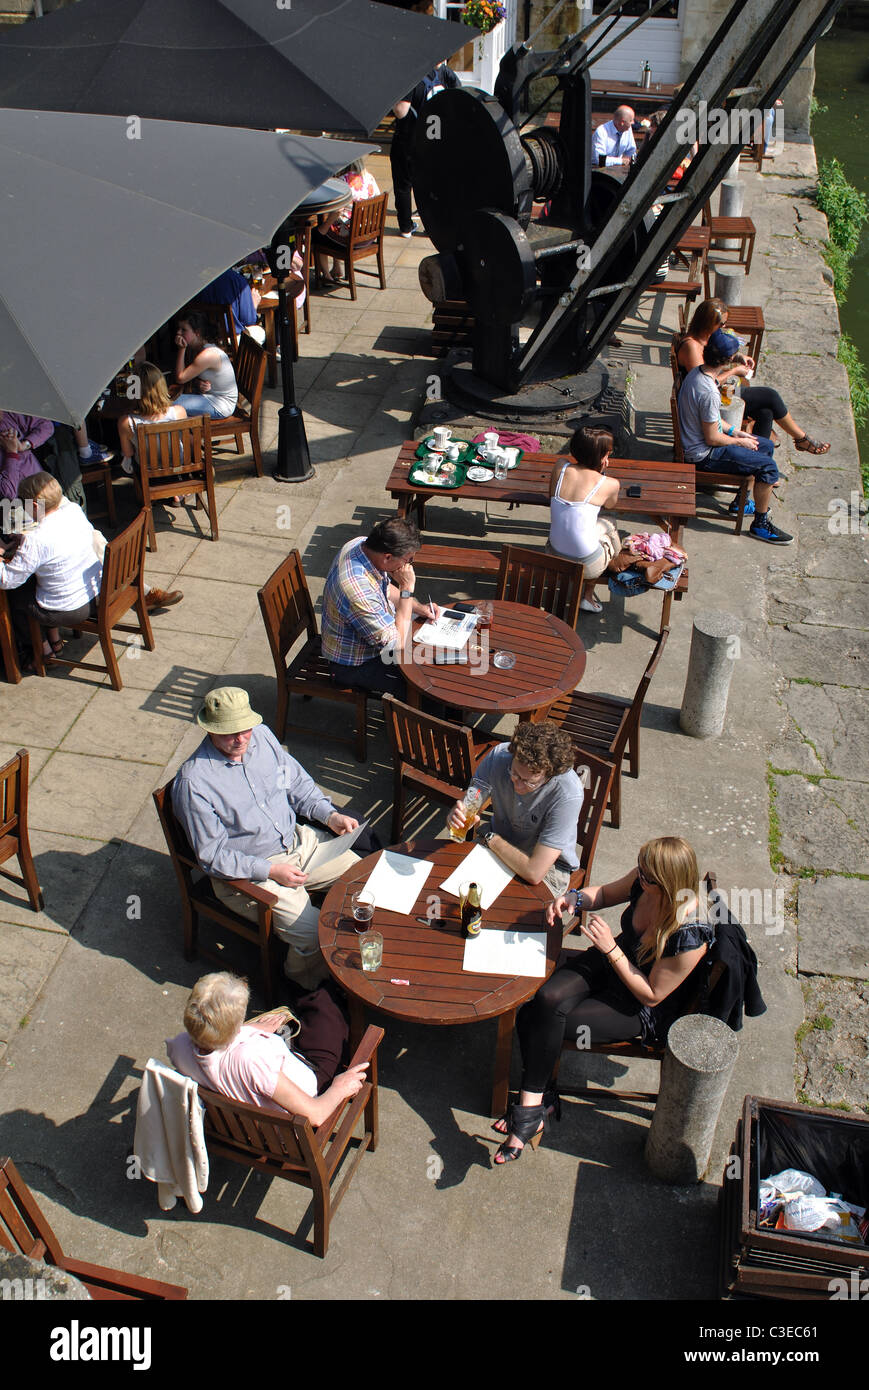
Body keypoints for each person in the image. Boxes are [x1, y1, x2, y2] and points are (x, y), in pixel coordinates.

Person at [492, 837, 713, 1164]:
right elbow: (607, 893)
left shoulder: (691, 934)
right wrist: (574, 899)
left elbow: (653, 994)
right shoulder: (644, 880)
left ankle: (530, 1109)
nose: (640, 877)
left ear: (667, 883)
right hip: (614, 960)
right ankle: (540, 1102)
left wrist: (610, 948)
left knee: (535, 1017)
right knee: (545, 999)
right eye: (640, 868)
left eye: (648, 876)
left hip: (636, 1003)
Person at [171, 686, 365, 988]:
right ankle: (304, 981)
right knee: (316, 934)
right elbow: (213, 857)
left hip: (299, 844)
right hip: (251, 875)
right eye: (229, 733)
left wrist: (329, 815)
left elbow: (297, 784)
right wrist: (272, 871)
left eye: (244, 729)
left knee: (365, 878)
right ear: (209, 729)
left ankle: (351, 953)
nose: (240, 739)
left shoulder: (261, 736)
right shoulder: (193, 783)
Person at [167, 972, 367, 1125]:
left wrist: (249, 1029)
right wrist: (339, 1088)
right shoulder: (252, 1059)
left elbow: (214, 1048)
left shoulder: (178, 1047)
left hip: (250, 1113)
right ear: (234, 1026)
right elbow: (315, 1115)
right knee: (326, 1004)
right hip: (310, 1091)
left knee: (310, 1008)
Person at [677, 329, 793, 545]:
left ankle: (742, 503)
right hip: (703, 455)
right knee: (768, 467)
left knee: (764, 445)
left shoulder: (699, 375)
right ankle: (760, 523)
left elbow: (714, 422)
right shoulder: (709, 391)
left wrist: (735, 431)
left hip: (700, 444)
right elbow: (712, 438)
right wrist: (740, 441)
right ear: (729, 360)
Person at [676, 299, 830, 459]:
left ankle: (760, 459)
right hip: (709, 399)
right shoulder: (692, 347)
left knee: (765, 412)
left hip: (717, 393)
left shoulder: (705, 339)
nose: (723, 327)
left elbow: (713, 360)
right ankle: (800, 439)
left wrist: (737, 357)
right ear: (707, 323)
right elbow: (704, 382)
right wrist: (735, 371)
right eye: (721, 324)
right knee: (770, 396)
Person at [448, 720, 583, 899]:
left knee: (500, 911)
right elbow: (470, 802)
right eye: (514, 773)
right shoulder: (498, 757)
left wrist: (491, 839)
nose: (517, 784)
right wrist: (455, 816)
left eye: (529, 781)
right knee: (456, 889)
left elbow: (534, 872)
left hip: (548, 867)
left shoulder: (567, 794)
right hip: (498, 842)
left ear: (550, 776)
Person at [320, 516, 443, 697]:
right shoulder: (358, 593)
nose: (408, 566)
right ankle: (422, 720)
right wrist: (407, 588)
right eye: (408, 560)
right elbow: (397, 645)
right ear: (387, 557)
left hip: (368, 642)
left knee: (433, 657)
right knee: (425, 686)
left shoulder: (361, 545)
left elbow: (384, 590)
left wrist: (418, 607)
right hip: (353, 664)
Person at [0, 471, 101, 667]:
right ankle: (54, 642)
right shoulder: (73, 510)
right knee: (36, 582)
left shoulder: (36, 538)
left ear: (35, 506)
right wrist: (23, 541)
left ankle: (43, 653)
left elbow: (6, 581)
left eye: (23, 502)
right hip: (91, 596)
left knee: (16, 596)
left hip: (68, 608)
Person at [547, 425, 621, 615]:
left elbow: (551, 495)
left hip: (552, 555)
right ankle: (589, 593)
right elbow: (611, 505)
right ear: (600, 457)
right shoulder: (609, 484)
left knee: (582, 531)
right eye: (607, 455)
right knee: (610, 524)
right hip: (587, 566)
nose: (608, 460)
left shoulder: (560, 467)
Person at [390, 62, 460, 236]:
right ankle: (433, 226)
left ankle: (406, 226)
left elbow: (401, 111)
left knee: (404, 184)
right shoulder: (445, 74)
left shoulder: (412, 76)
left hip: (409, 139)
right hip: (434, 137)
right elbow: (458, 95)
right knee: (432, 185)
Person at [315, 160, 381, 283]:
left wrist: (326, 223)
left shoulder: (341, 182)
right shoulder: (369, 178)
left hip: (351, 237)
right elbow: (377, 197)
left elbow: (337, 210)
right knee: (336, 227)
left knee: (319, 234)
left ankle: (326, 276)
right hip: (369, 235)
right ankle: (337, 267)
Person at [117, 361, 188, 476]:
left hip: (148, 473)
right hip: (178, 467)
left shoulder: (126, 421)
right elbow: (187, 441)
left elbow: (128, 452)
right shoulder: (179, 412)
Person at [173, 312, 238, 420]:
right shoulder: (200, 348)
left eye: (184, 330)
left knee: (170, 404)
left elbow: (180, 378)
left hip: (221, 405)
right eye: (178, 328)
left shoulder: (207, 355)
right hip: (210, 397)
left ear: (197, 333)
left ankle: (185, 433)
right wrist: (198, 382)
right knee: (171, 401)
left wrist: (181, 349)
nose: (178, 332)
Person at [0, 412, 54, 501]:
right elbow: (8, 493)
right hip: (16, 505)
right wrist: (11, 453)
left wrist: (24, 445)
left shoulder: (9, 413)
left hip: (40, 486)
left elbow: (47, 426)